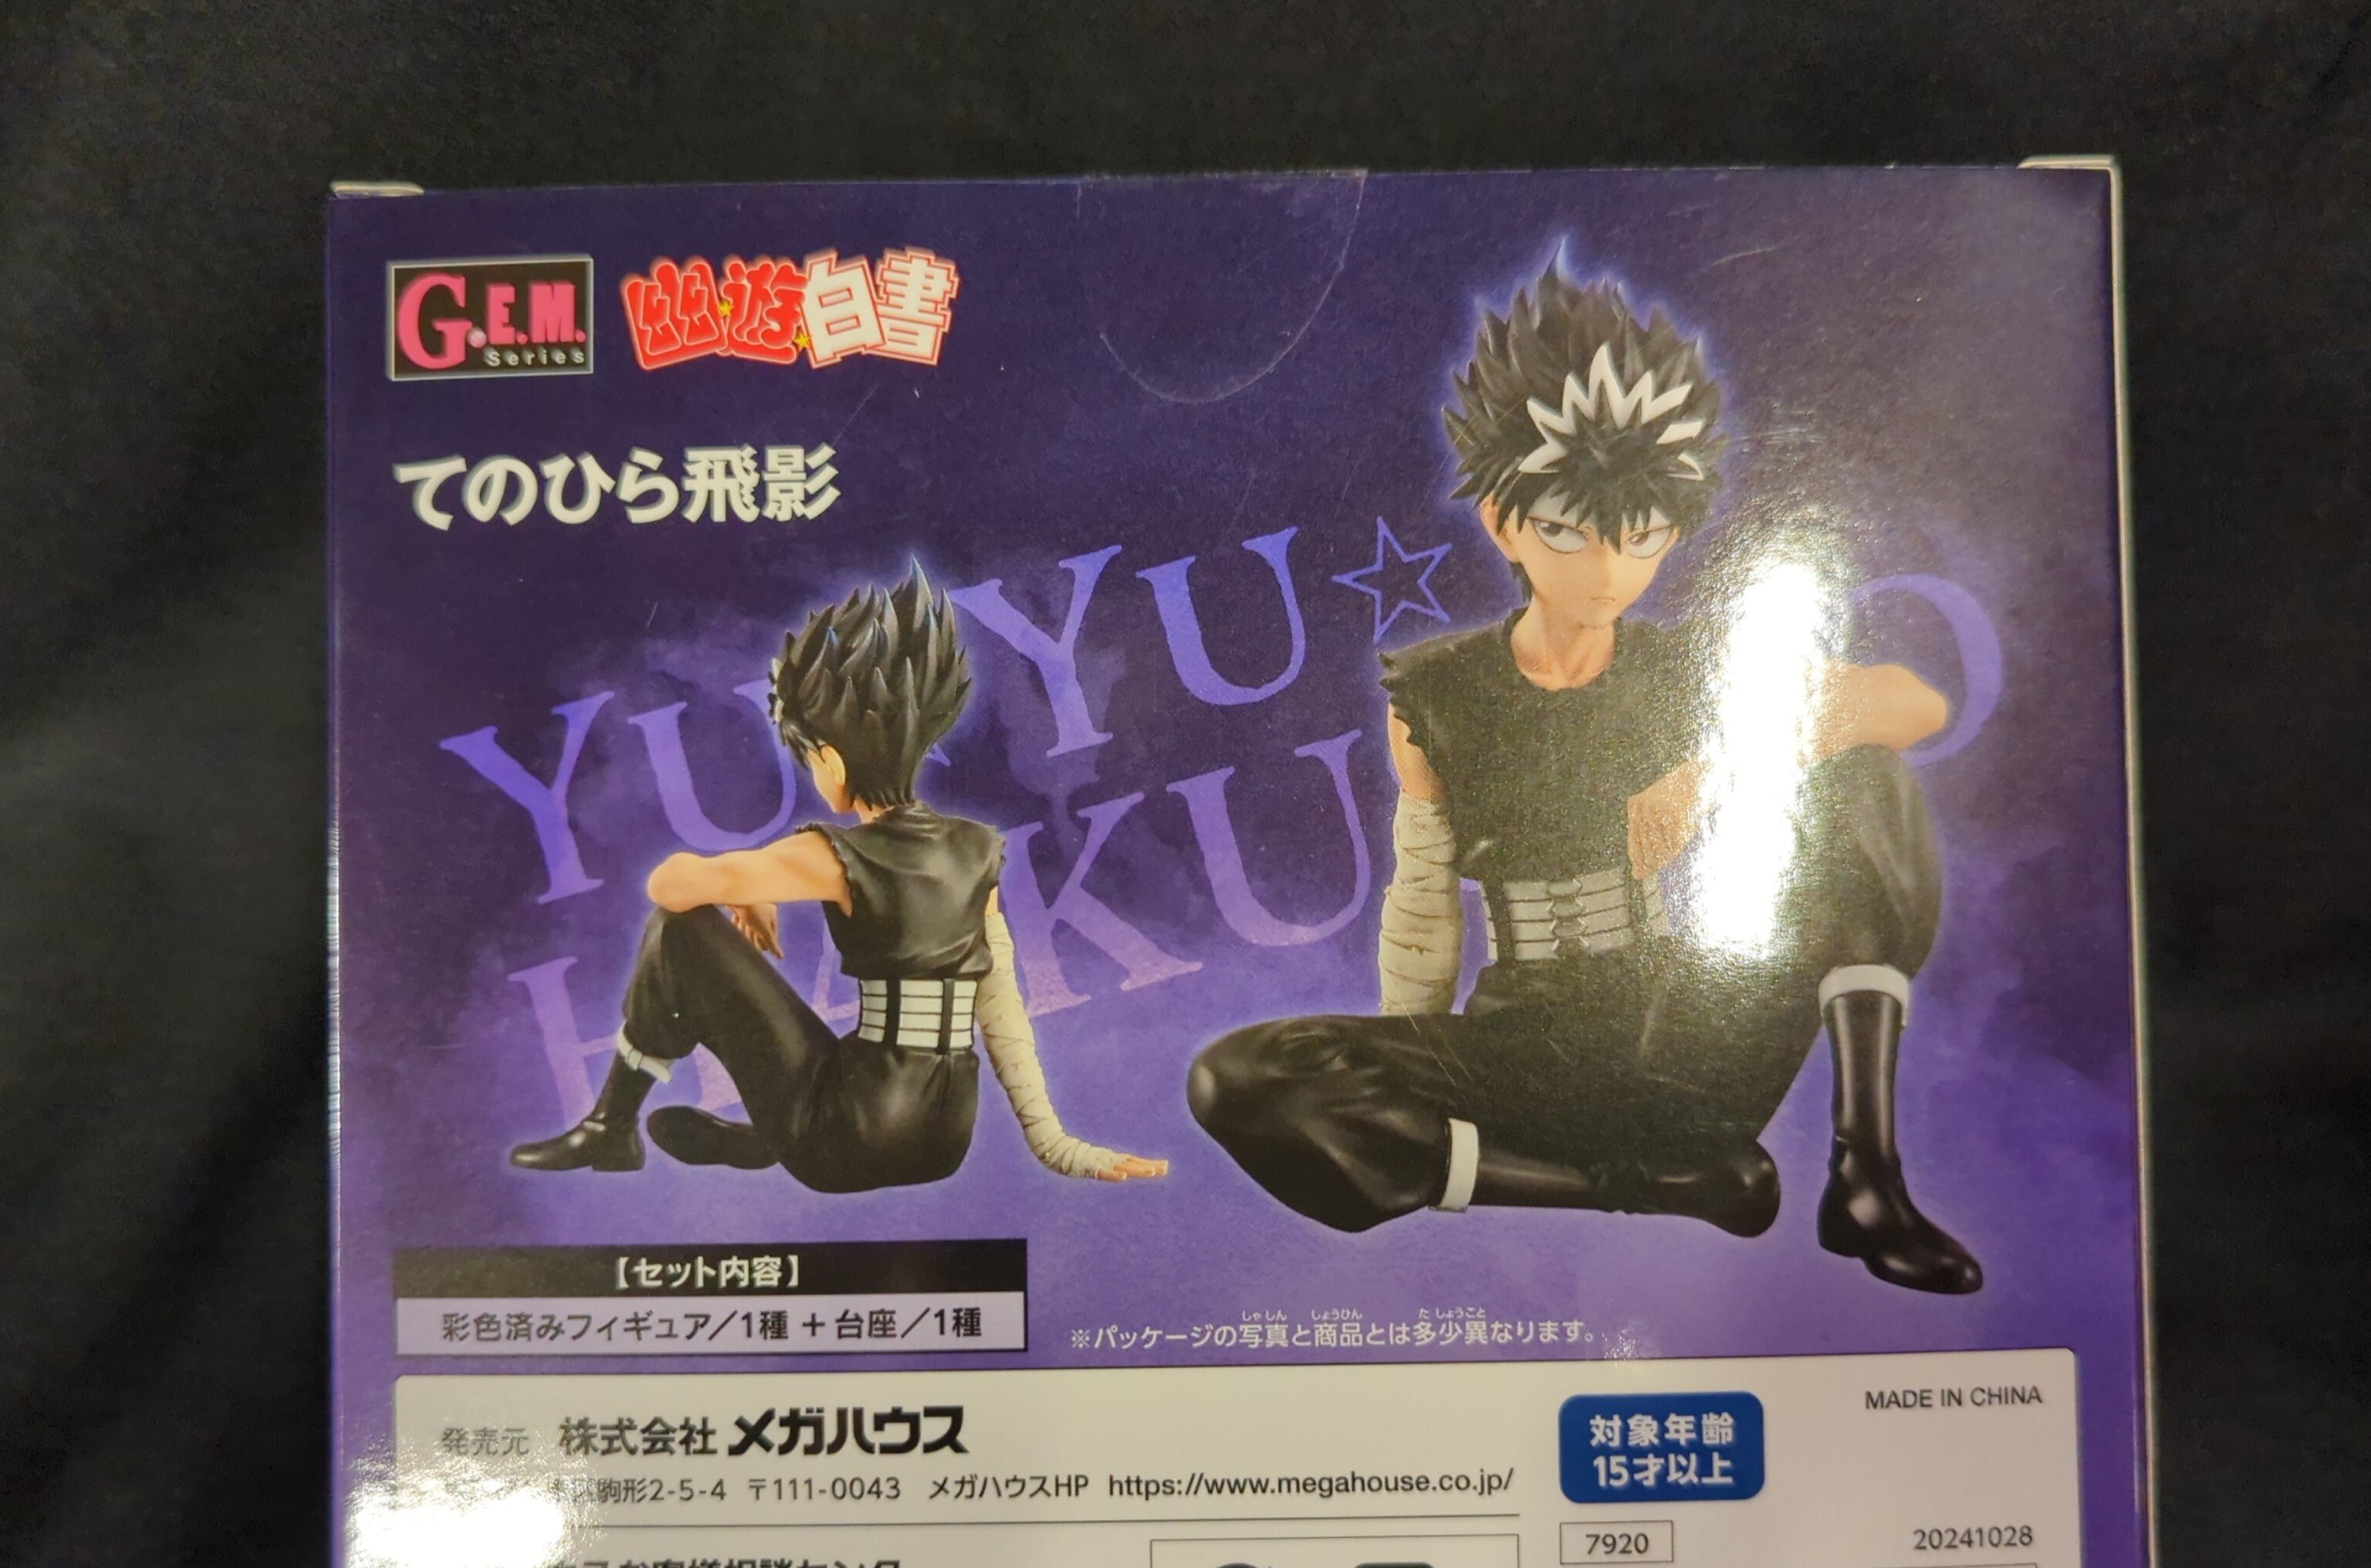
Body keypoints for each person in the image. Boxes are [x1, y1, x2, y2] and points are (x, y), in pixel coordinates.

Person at [1188, 264, 1980, 1293]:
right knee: (1240, 1078)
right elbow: (1423, 907)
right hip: (1524, 1041)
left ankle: (1866, 1175)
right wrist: (1401, 1061)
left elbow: (1910, 705)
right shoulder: (1436, 691)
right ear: (1502, 521)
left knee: (1861, 777)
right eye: (1568, 529)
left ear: (1673, 529)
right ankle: (1657, 1184)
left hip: (1687, 1030)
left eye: (1639, 536)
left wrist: (1715, 771)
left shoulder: (1692, 666)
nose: (1606, 571)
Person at [510, 565, 1165, 1192]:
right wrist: (1054, 1144)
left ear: (831, 760)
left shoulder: (832, 855)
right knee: (865, 1049)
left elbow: (671, 885)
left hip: (853, 1135)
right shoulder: (975, 849)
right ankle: (768, 1135)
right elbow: (1000, 1005)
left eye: (808, 756)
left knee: (679, 930)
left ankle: (611, 1127)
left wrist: (746, 885)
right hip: (943, 1139)